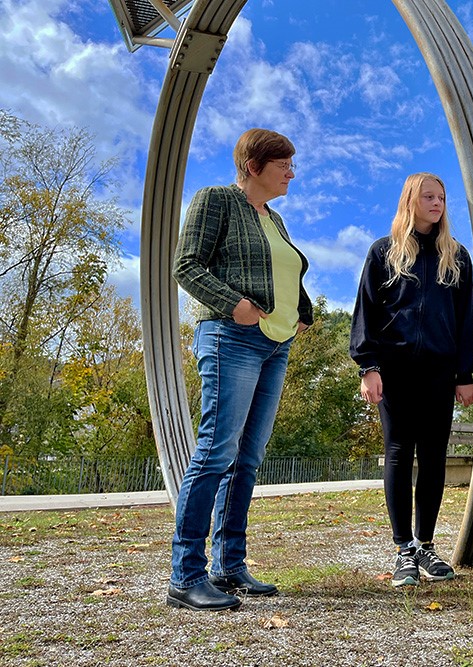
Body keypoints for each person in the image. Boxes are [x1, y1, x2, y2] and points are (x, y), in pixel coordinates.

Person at [168, 128, 313, 611]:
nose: (292, 171)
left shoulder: (275, 219)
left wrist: (301, 314)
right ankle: (185, 575)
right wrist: (234, 306)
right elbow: (186, 265)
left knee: (247, 459)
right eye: (284, 164)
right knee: (215, 452)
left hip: (276, 345)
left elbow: (285, 272)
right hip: (232, 338)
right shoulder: (217, 200)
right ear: (254, 166)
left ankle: (229, 566)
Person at [350, 172, 473, 588]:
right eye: (429, 196)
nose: (437, 202)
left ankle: (425, 544)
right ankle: (403, 548)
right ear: (411, 200)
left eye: (441, 197)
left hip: (440, 372)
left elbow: (466, 322)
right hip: (396, 370)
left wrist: (464, 374)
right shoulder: (383, 252)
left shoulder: (456, 256)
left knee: (435, 455)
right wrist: (368, 366)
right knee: (398, 452)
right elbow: (366, 312)